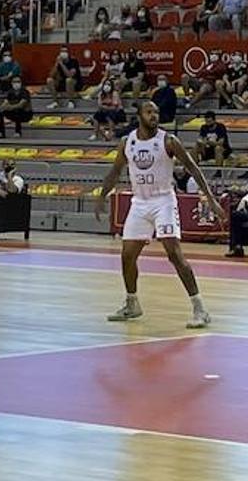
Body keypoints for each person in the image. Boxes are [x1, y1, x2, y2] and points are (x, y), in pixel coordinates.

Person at [94, 100, 223, 326]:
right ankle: (132, 303)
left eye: (156, 111)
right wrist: (101, 196)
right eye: (149, 112)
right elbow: (115, 171)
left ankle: (200, 308)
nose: (154, 115)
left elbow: (193, 167)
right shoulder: (127, 142)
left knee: (174, 254)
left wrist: (211, 199)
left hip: (163, 200)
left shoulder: (168, 140)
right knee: (127, 256)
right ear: (139, 115)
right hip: (140, 202)